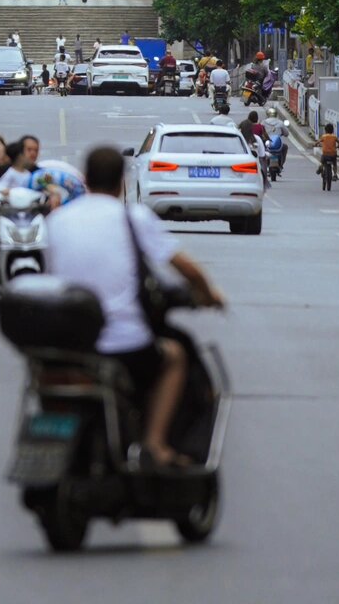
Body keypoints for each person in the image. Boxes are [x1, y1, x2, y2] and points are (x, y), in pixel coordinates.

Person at [45, 145, 224, 467]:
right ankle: (155, 443)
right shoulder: (133, 216)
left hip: (67, 344)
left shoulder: (58, 220)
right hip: (122, 344)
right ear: (122, 182)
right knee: (175, 356)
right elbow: (188, 269)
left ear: (85, 179)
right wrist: (209, 295)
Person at [318, 123, 339, 188]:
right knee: (334, 164)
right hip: (333, 155)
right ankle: (335, 174)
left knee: (322, 161)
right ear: (332, 130)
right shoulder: (334, 137)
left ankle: (320, 168)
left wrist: (315, 144)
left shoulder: (324, 136)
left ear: (325, 130)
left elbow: (318, 142)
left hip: (325, 155)